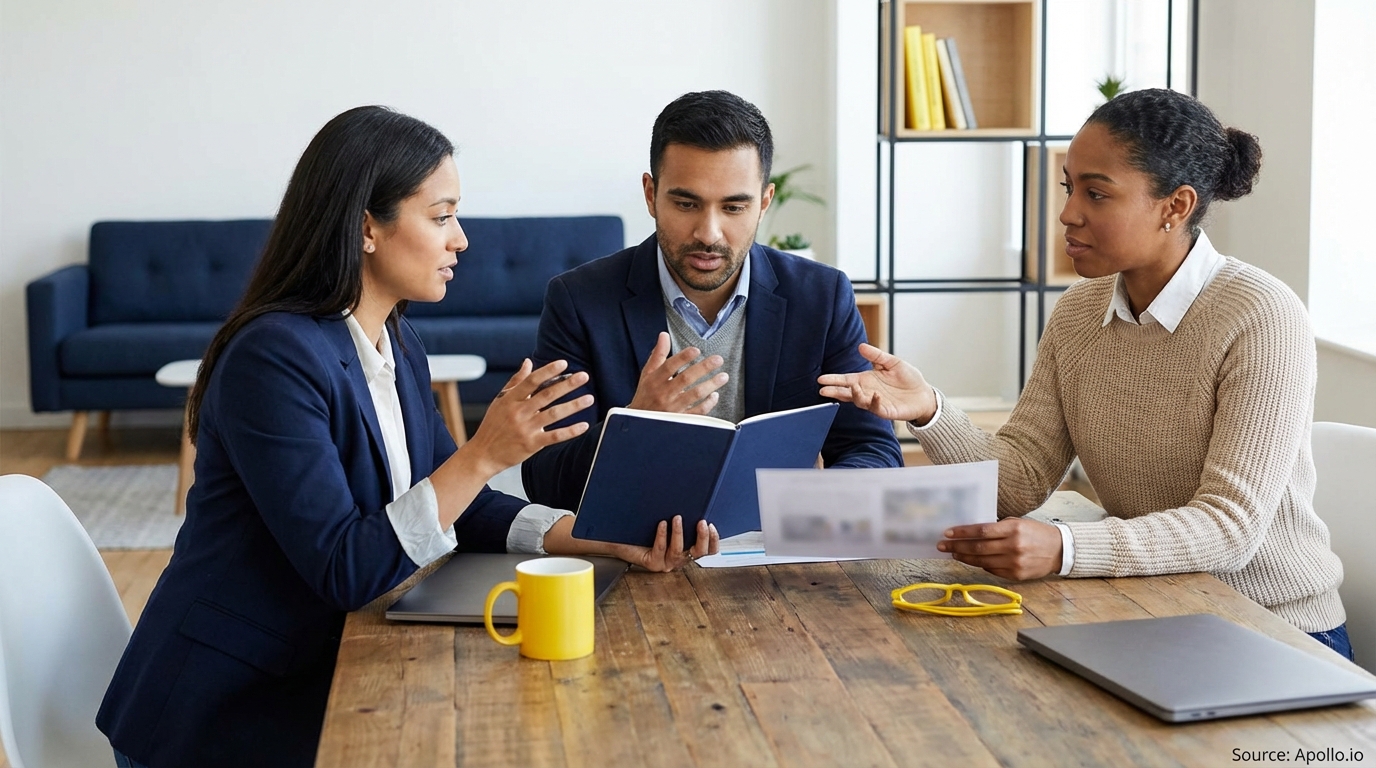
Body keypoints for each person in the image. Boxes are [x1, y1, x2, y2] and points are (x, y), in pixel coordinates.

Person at [96, 106, 719, 768]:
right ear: (368, 226)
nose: (462, 240)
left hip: (323, 677)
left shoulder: (395, 342)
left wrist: (600, 540)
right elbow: (347, 570)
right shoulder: (271, 359)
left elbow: (464, 503)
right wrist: (484, 454)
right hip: (222, 714)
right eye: (441, 215)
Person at [818, 88, 1351, 659]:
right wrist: (929, 410)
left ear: (1175, 206)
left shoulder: (1260, 315)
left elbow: (1228, 528)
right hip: (1153, 608)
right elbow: (1020, 483)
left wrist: (1065, 548)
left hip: (1276, 630)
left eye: (1097, 193)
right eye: (1070, 187)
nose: (1069, 212)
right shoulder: (1079, 311)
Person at [521, 90, 903, 509]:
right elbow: (545, 477)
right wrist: (636, 425)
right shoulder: (579, 299)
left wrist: (816, 497)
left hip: (778, 547)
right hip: (639, 548)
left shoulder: (822, 297)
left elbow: (875, 451)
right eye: (686, 204)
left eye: (734, 208)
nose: (709, 233)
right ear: (651, 194)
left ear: (764, 203)